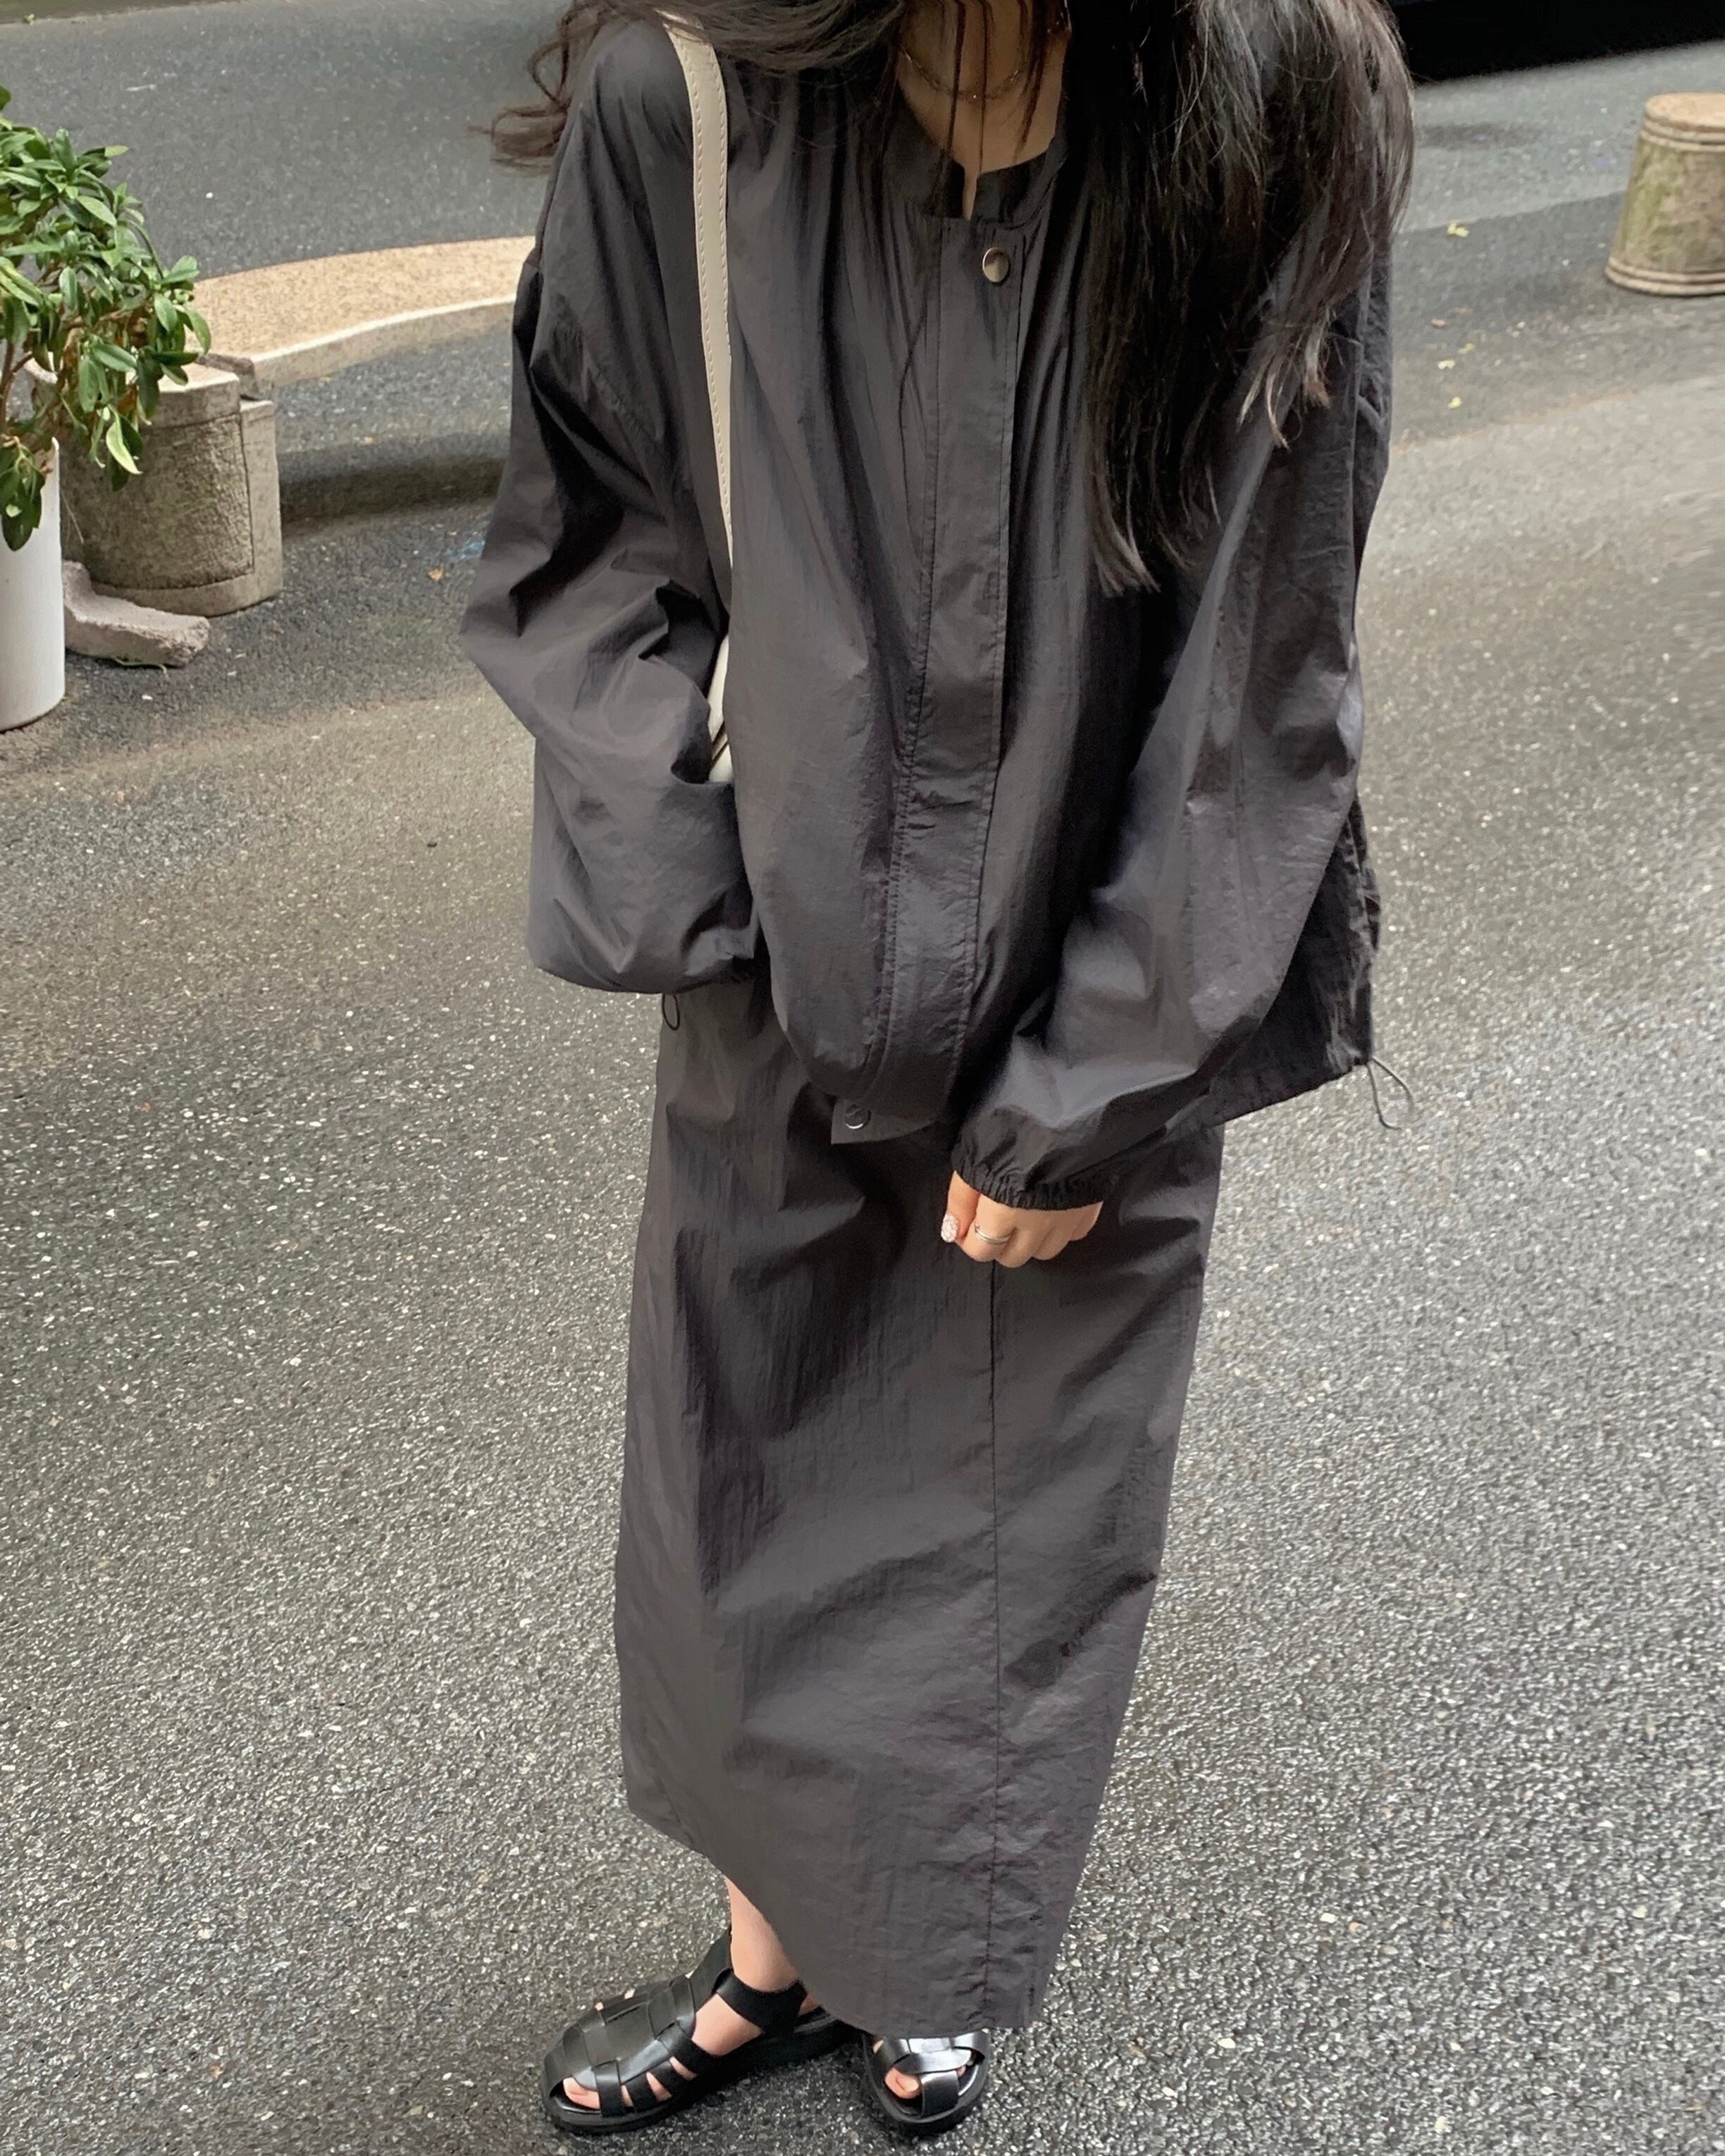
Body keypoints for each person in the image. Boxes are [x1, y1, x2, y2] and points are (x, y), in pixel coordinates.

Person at [462, 0, 1412, 2135]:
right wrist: (716, 895)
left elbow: (1268, 660)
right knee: (748, 1493)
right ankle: (776, 1961)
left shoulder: (1278, 102)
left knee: (1004, 1536)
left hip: (1102, 976)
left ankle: (930, 1965)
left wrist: (1105, 1076)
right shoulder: (687, 102)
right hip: (775, 981)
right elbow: (587, 536)